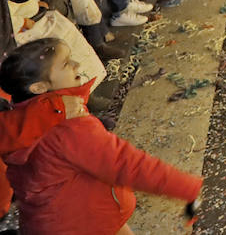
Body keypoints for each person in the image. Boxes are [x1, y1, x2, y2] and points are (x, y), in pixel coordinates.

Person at [0, 38, 203, 235]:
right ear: (39, 87)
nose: (76, 64)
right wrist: (187, 187)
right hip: (84, 223)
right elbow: (127, 164)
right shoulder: (71, 127)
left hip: (55, 220)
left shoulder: (18, 120)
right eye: (66, 63)